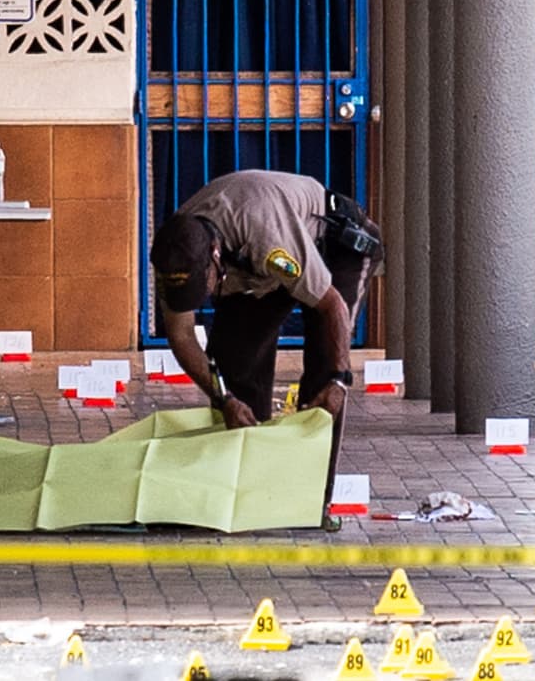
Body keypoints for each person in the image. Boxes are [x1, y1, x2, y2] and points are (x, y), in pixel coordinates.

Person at [149, 169, 384, 503]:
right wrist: (224, 399)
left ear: (215, 257)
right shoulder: (176, 250)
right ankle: (253, 487)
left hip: (333, 244)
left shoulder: (266, 237)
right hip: (257, 269)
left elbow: (331, 306)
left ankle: (310, 496)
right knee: (234, 365)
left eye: (204, 288)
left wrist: (340, 380)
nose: (201, 299)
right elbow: (182, 335)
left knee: (324, 376)